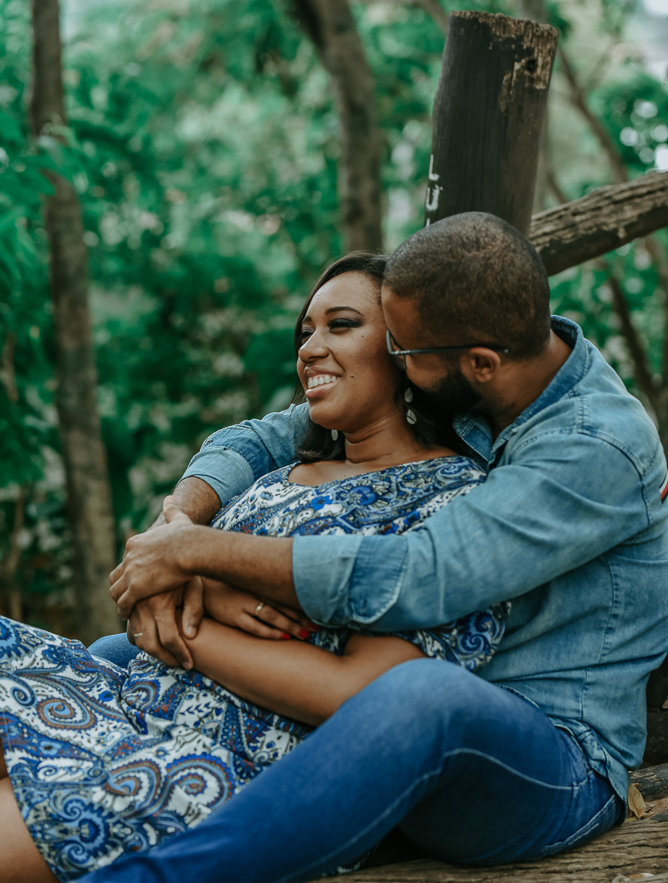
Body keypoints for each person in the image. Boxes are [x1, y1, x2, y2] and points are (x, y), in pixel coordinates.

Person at [83, 212, 668, 883]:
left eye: (403, 351)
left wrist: (197, 556)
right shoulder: (480, 377)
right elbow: (262, 438)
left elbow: (420, 573)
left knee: (421, 697)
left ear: (477, 363)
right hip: (399, 736)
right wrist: (174, 528)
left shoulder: (592, 449)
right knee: (115, 657)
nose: (394, 359)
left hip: (549, 762)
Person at [0, 253, 508, 883]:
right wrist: (193, 584)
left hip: (233, 766)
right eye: (305, 332)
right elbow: (155, 574)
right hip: (129, 702)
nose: (311, 349)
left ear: (410, 350)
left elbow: (367, 697)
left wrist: (189, 624)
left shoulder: (451, 502)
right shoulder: (277, 475)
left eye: (341, 325)